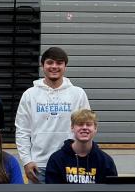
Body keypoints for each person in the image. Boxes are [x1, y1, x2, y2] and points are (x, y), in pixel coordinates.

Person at [15, 47, 91, 184]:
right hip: (39, 166)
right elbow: (22, 131)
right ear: (42, 65)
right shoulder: (29, 95)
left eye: (59, 63)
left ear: (65, 66)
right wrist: (27, 161)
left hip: (71, 162)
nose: (54, 66)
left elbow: (86, 128)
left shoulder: (78, 94)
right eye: (50, 63)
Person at [44, 109, 117, 184]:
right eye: (80, 124)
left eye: (89, 124)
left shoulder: (106, 161)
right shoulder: (56, 160)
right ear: (72, 127)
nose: (84, 127)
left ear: (95, 128)